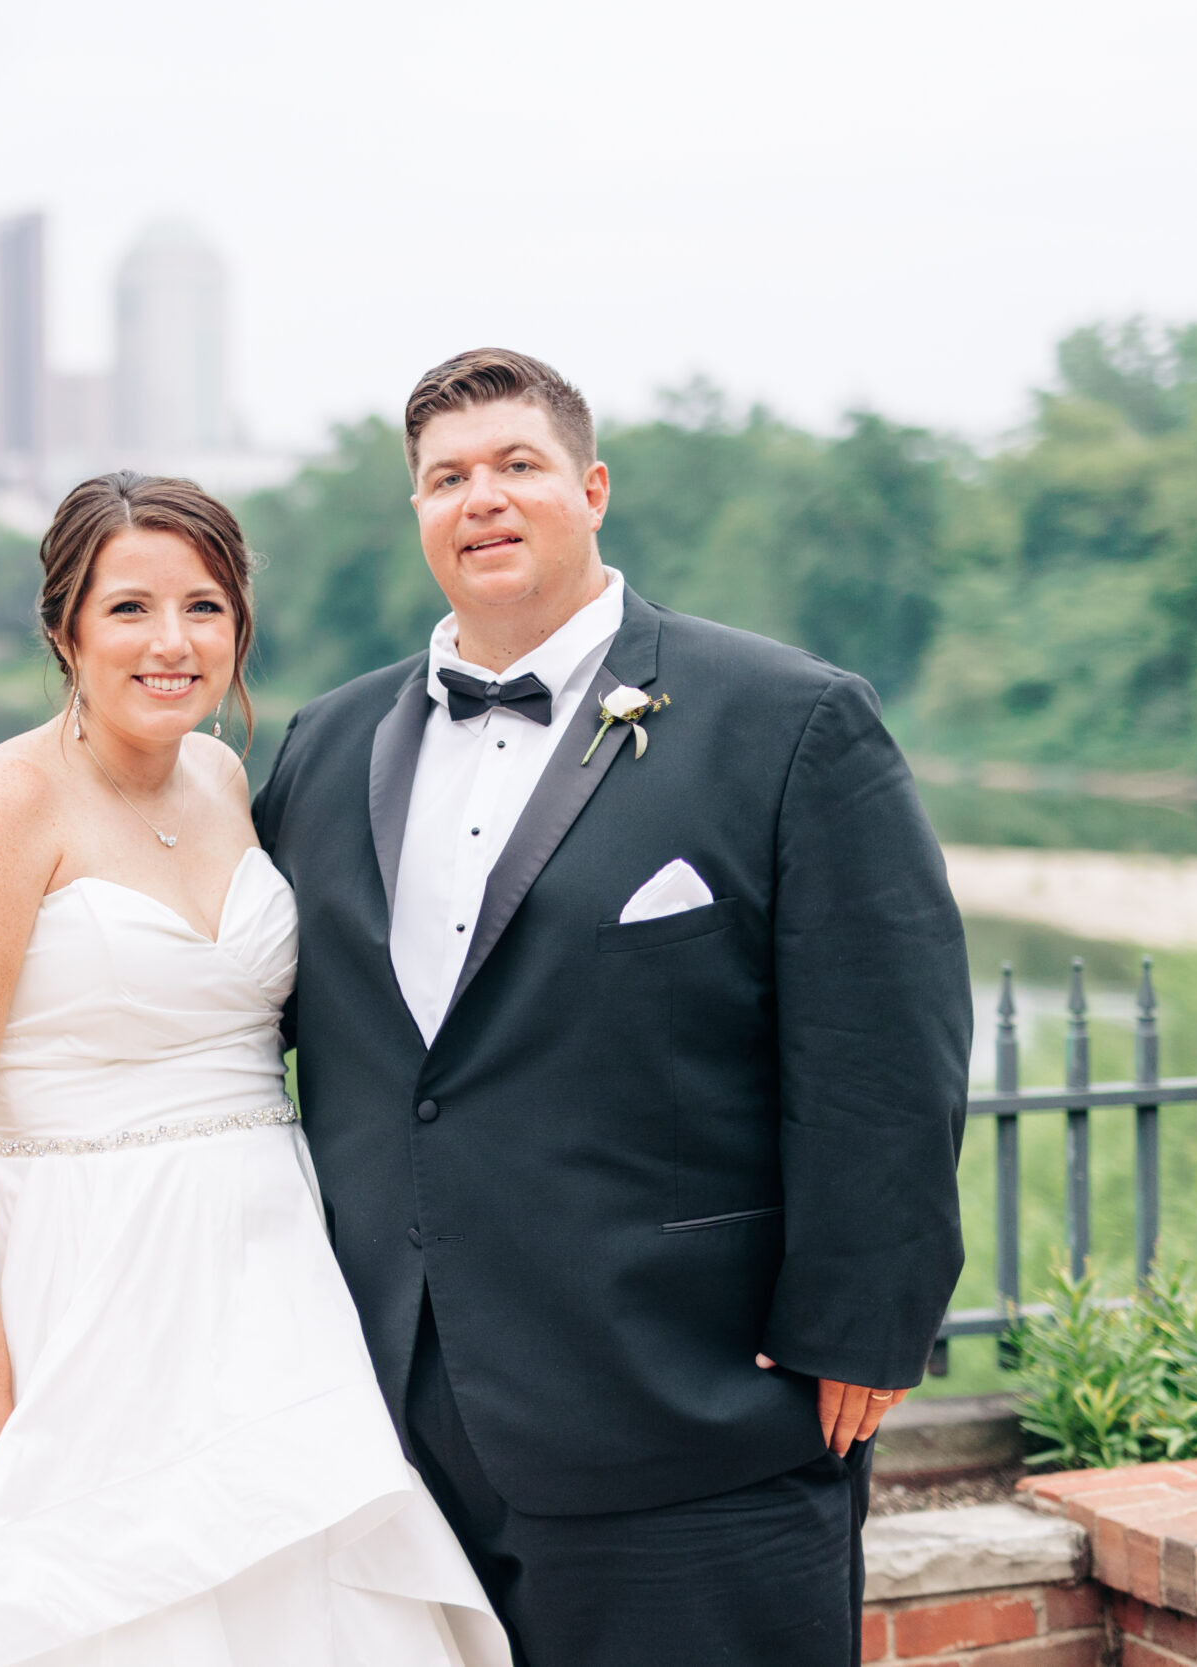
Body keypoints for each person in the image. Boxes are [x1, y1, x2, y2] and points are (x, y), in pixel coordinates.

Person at [0, 472, 506, 1667]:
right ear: (63, 628)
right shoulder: (0, 803)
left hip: (264, 1280)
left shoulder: (227, 782)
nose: (171, 643)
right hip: (71, 1277)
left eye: (204, 607)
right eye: (128, 608)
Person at [251, 347, 971, 1667]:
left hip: (687, 1406)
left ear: (589, 488)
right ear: (415, 513)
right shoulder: (320, 748)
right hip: (386, 1422)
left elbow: (880, 1047)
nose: (483, 496)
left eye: (518, 464)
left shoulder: (790, 720)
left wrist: (864, 1322)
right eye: (446, 476)